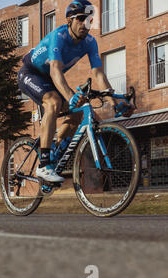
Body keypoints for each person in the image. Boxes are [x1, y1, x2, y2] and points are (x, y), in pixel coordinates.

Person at [17, 0, 135, 183]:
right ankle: (44, 165)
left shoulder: (90, 42)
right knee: (54, 102)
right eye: (80, 19)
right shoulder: (60, 36)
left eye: (89, 19)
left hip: (49, 79)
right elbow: (55, 70)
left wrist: (114, 102)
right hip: (30, 73)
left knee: (79, 112)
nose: (84, 23)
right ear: (69, 20)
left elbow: (99, 74)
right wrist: (71, 96)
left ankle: (54, 149)